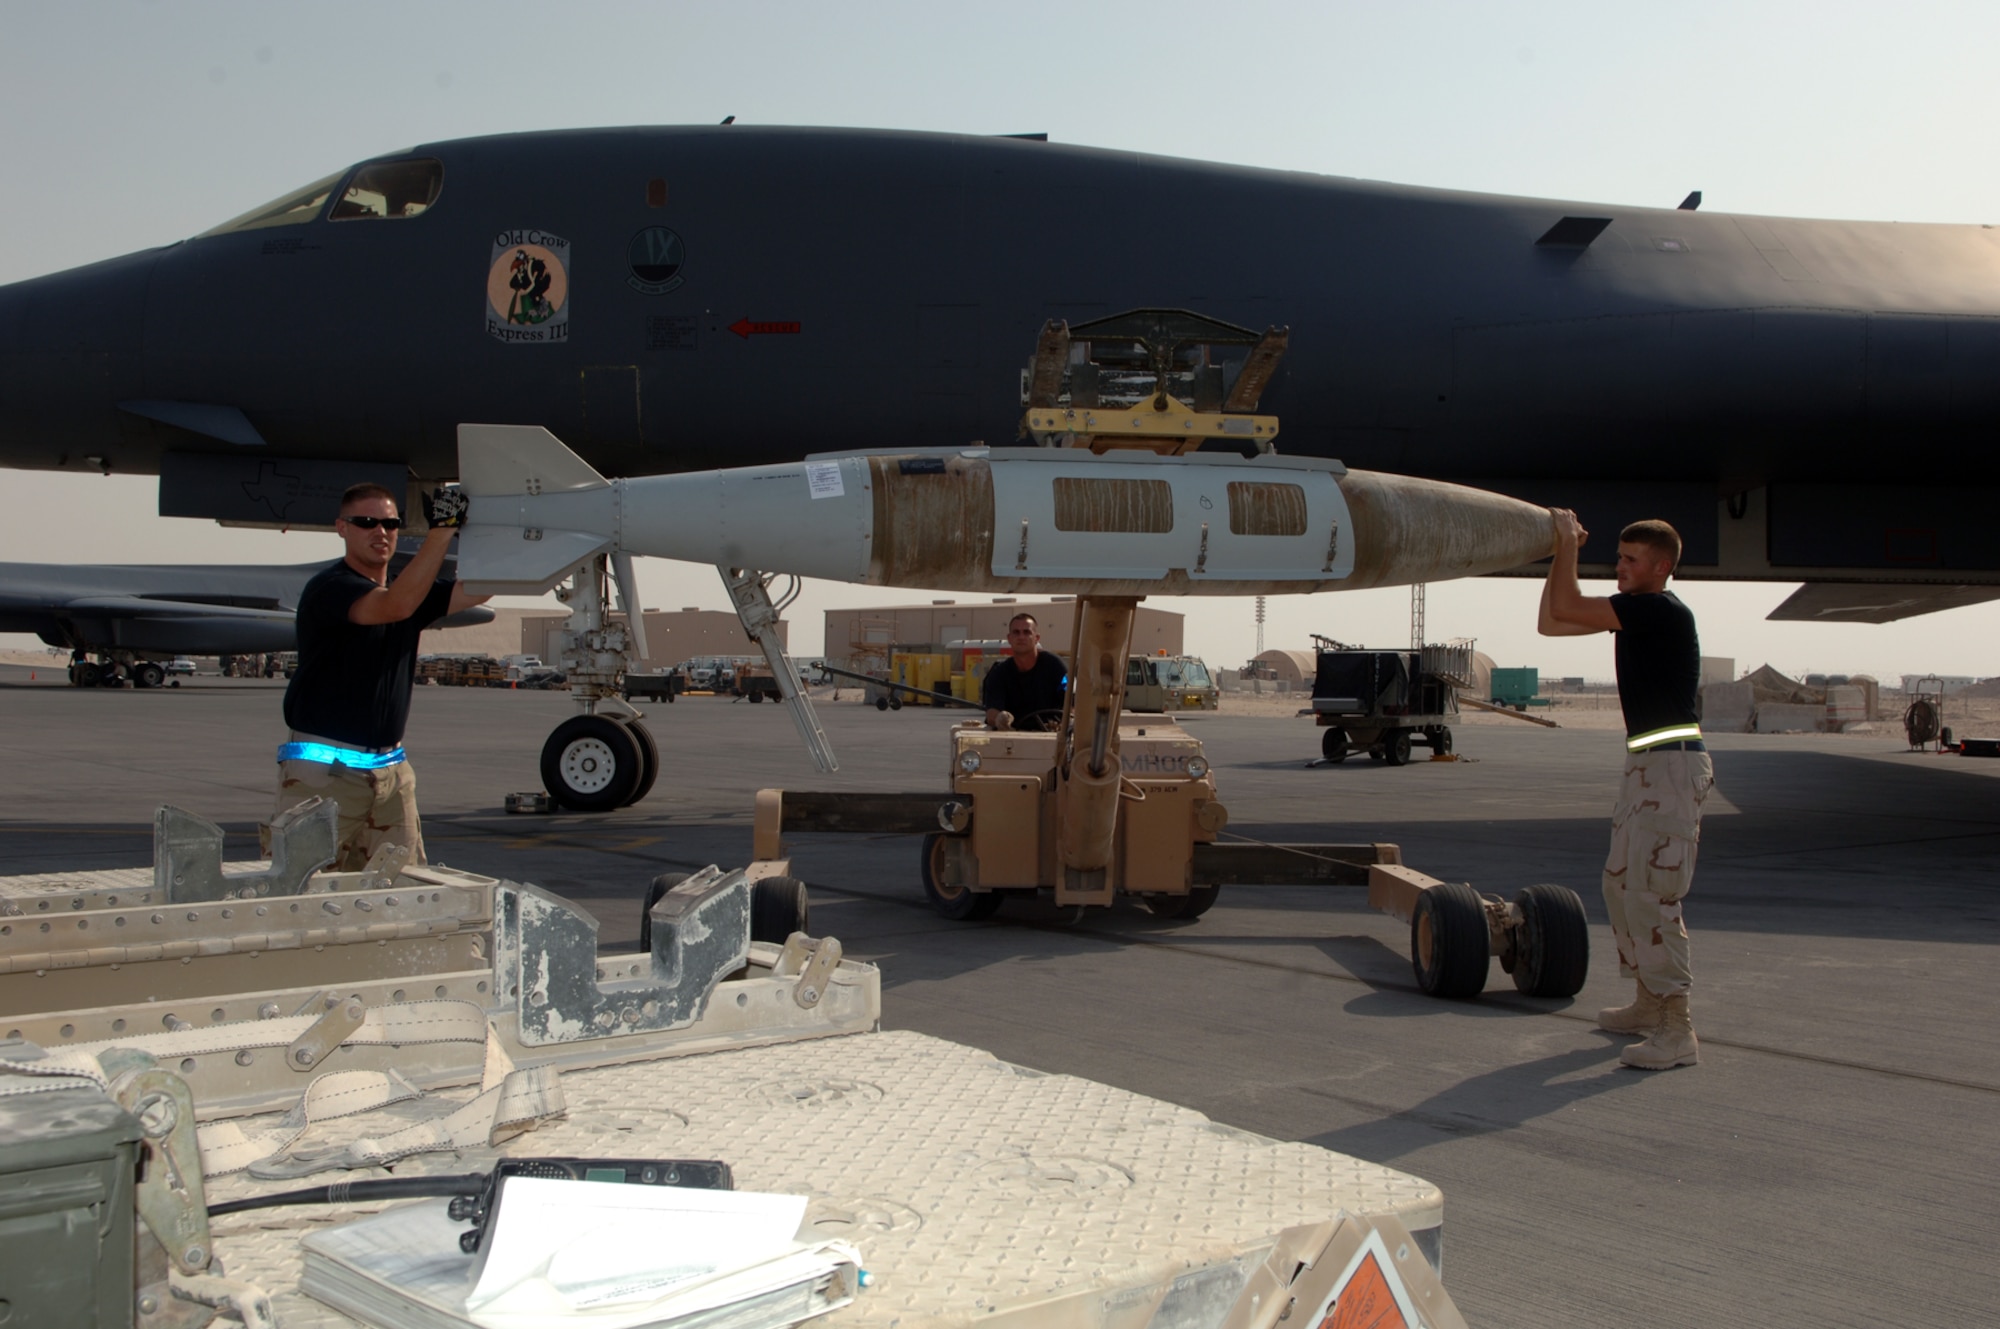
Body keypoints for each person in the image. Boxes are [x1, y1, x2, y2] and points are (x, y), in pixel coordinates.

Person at [1539, 510, 1713, 1070]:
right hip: (1647, 764)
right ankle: (1648, 1002)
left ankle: (1676, 1027)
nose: (1619, 567)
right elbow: (1552, 622)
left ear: (1661, 568)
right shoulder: (1634, 616)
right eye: (1617, 557)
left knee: (1652, 893)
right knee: (1620, 886)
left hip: (1672, 767)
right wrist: (1559, 557)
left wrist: (1565, 547)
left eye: (1630, 560)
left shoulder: (1658, 609)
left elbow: (1566, 608)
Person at [266, 482, 488, 871]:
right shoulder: (331, 589)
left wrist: (494, 530)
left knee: (402, 896)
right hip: (325, 776)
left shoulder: (409, 596)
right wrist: (442, 531)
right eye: (366, 522)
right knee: (301, 894)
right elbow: (396, 605)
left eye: (390, 523)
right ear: (341, 528)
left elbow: (483, 588)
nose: (380, 532)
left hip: (391, 774)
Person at [981, 612, 1069, 731]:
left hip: (1052, 736)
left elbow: (1072, 701)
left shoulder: (1056, 667)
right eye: (1016, 632)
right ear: (1009, 638)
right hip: (1012, 739)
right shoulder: (999, 673)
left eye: (1027, 632)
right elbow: (991, 711)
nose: (1021, 637)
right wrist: (1000, 719)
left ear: (1036, 638)